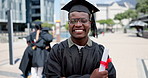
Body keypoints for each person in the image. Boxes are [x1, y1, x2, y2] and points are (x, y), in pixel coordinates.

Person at [44, 0, 116, 78]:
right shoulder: (57, 51)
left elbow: (111, 75)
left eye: (84, 21)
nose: (78, 25)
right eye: (73, 21)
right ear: (69, 24)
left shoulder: (100, 52)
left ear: (90, 23)